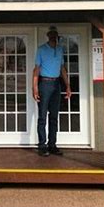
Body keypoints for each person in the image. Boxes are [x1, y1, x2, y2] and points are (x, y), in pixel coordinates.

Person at [32, 25, 72, 156]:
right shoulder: (41, 49)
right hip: (44, 83)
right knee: (42, 116)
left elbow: (62, 69)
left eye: (55, 34)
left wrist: (68, 86)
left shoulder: (60, 50)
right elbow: (36, 69)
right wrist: (35, 88)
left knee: (54, 117)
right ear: (48, 36)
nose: (53, 37)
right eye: (51, 34)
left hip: (56, 84)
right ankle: (42, 145)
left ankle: (52, 144)